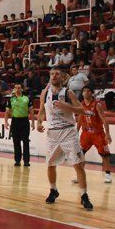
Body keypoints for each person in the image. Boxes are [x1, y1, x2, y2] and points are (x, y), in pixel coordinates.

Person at [36, 69, 93, 210]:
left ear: (62, 77)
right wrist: (38, 123)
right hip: (53, 133)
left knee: (78, 164)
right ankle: (53, 190)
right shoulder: (45, 93)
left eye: (57, 74)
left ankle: (84, 195)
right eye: (52, 74)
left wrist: (65, 106)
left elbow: (81, 110)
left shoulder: (68, 93)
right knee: (50, 164)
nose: (54, 76)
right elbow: (41, 110)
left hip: (68, 131)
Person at [77, 86, 113, 183]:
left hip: (98, 134)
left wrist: (108, 134)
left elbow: (105, 120)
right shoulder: (81, 104)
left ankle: (108, 174)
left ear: (92, 93)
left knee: (104, 155)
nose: (86, 92)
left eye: (88, 91)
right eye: (84, 91)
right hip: (86, 133)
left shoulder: (97, 105)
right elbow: (80, 119)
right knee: (80, 153)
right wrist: (76, 132)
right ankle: (79, 175)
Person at [4, 83, 33, 167]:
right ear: (14, 89)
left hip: (24, 121)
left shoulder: (26, 98)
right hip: (15, 121)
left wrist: (33, 123)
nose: (18, 89)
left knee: (25, 141)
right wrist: (6, 122)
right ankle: (17, 160)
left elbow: (31, 111)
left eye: (19, 88)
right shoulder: (11, 99)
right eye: (16, 88)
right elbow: (7, 112)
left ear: (22, 89)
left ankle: (26, 161)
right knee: (16, 142)